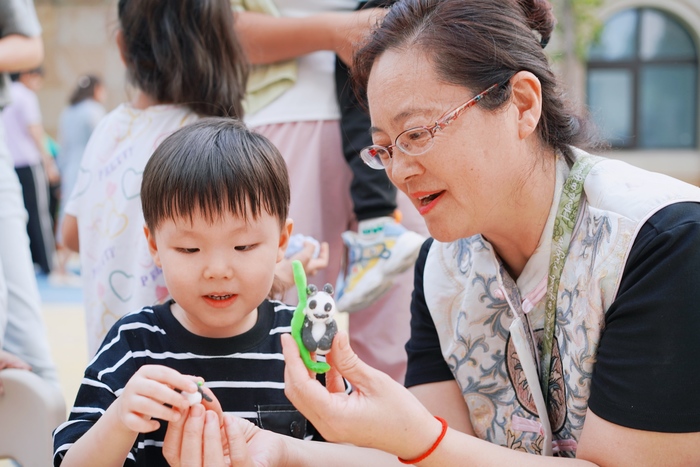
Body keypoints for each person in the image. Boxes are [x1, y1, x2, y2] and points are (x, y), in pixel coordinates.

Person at [168, 0, 700, 464]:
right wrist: (280, 450)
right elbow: (434, 460)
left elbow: (431, 447)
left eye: (417, 133)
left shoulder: (664, 241)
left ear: (522, 104)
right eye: (384, 146)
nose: (398, 170)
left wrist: (420, 437)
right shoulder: (440, 266)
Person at [53, 118, 328, 466]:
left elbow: (358, 454)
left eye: (243, 246)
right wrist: (121, 418)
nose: (217, 270)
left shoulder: (304, 342)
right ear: (154, 245)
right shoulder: (134, 344)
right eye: (189, 249)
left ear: (281, 242)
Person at [234, 0, 428, 382]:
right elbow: (212, 29)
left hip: (397, 123)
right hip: (286, 124)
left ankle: (393, 439)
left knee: (403, 341)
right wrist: (336, 31)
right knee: (280, 325)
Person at [60, 0, 249, 357]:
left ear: (122, 46)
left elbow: (70, 235)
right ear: (225, 44)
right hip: (182, 367)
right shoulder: (211, 140)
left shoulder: (110, 127)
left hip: (111, 361)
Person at [0, 0, 60, 392]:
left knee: (31, 355)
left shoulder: (21, 95)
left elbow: (29, 44)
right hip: (27, 163)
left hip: (15, 162)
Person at [2, 67, 60, 275]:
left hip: (9, 165)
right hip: (28, 163)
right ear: (27, 75)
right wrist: (49, 162)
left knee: (16, 216)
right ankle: (48, 265)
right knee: (40, 214)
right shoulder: (26, 96)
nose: (39, 85)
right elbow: (35, 131)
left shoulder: (6, 92)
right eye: (37, 79)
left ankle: (29, 263)